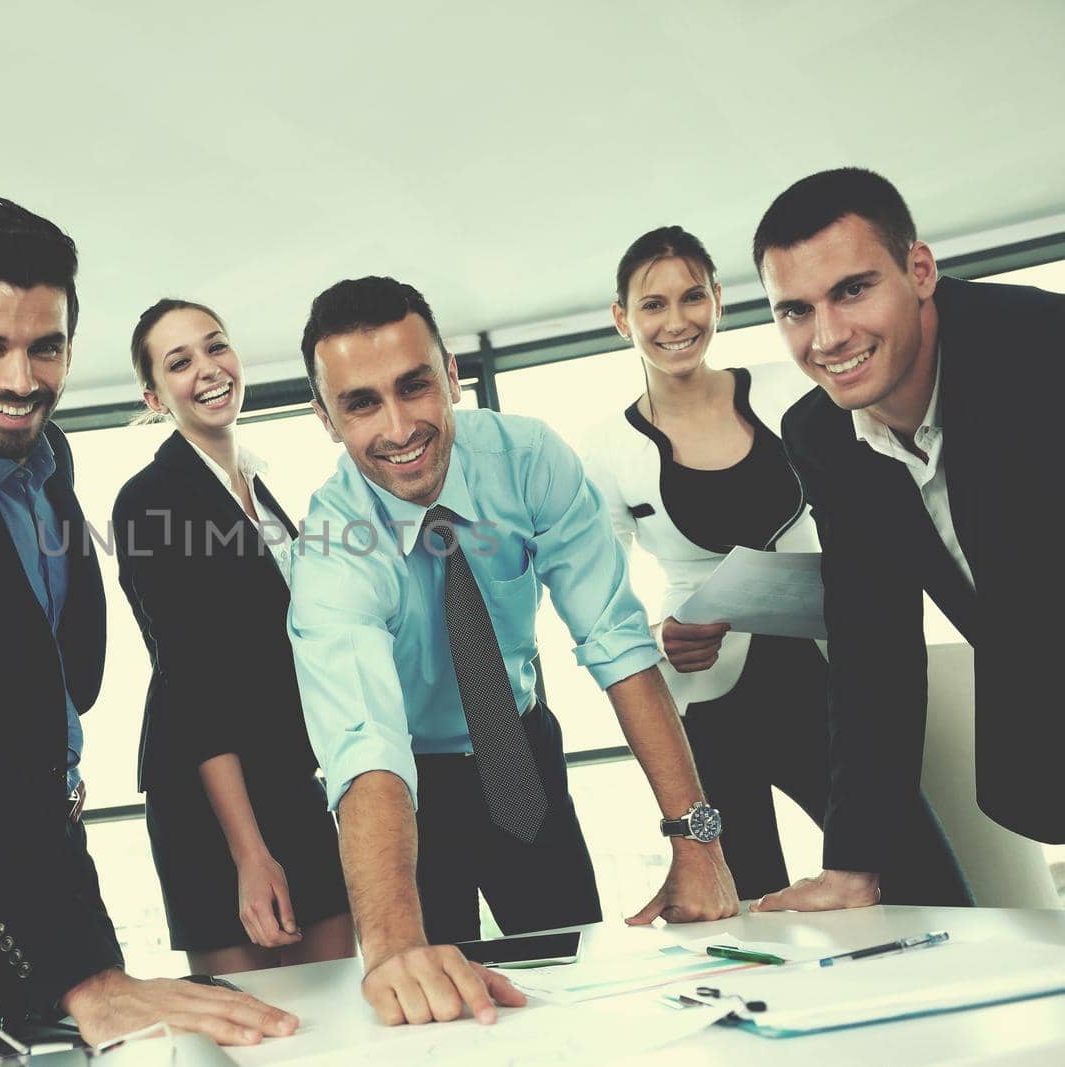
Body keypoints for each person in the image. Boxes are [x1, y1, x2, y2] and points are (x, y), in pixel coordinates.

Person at [0, 199, 296, 1048]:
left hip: (44, 855)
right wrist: (83, 976)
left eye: (44, 347)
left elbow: (51, 663)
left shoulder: (48, 459)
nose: (21, 380)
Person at [286, 275, 738, 1028]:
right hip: (409, 791)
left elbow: (616, 640)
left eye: (413, 385)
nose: (399, 427)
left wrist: (698, 839)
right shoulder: (333, 546)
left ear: (452, 377)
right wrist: (394, 946)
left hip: (517, 752)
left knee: (574, 985)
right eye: (361, 403)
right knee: (429, 1012)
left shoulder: (527, 458)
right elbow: (365, 741)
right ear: (326, 419)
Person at [581, 226, 971, 907]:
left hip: (826, 677)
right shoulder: (608, 448)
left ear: (719, 300)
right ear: (622, 318)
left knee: (920, 875)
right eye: (653, 305)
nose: (677, 321)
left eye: (692, 297)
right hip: (706, 701)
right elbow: (600, 603)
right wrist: (659, 634)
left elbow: (871, 504)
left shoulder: (791, 389)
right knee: (744, 906)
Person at [750, 167, 1064, 913]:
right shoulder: (820, 433)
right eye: (796, 309)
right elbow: (872, 643)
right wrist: (853, 863)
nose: (827, 337)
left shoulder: (1042, 348)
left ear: (919, 271)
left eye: (853, 290)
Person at [112, 299, 354, 976]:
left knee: (339, 1006)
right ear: (155, 396)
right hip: (210, 799)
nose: (208, 369)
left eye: (216, 347)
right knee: (252, 1034)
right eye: (180, 361)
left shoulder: (260, 489)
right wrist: (249, 852)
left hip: (288, 779)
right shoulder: (150, 499)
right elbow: (192, 679)